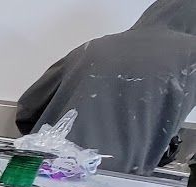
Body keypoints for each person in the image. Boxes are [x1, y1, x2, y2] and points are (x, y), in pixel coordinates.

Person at [15, 0, 196, 176]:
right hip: (117, 183)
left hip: (41, 169)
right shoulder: (191, 58)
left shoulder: (94, 47)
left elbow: (28, 109)